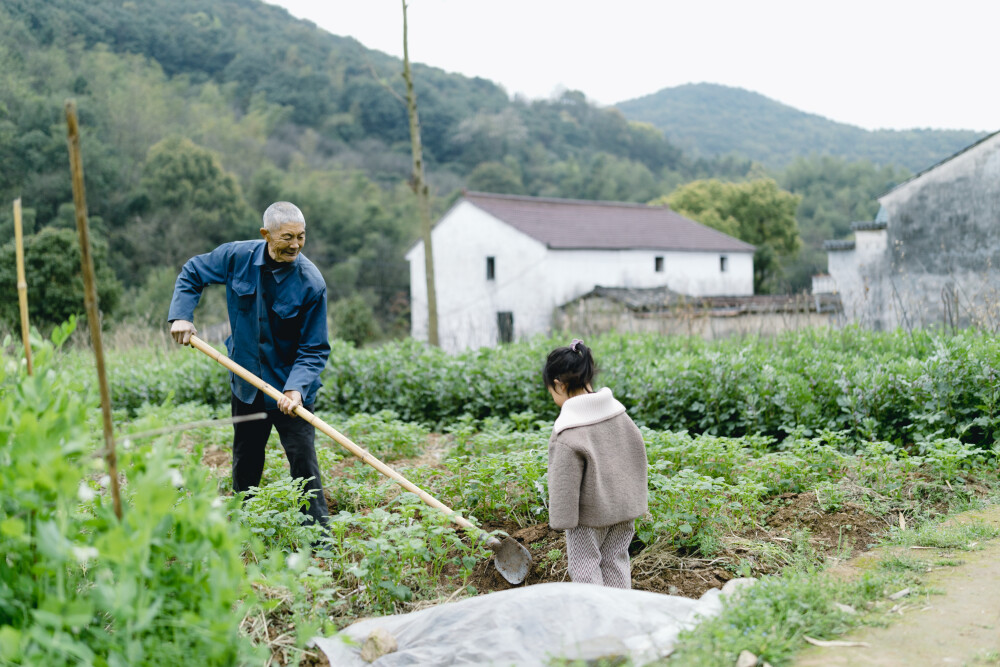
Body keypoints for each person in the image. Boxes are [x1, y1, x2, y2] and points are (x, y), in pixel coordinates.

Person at [168, 201, 331, 529]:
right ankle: (245, 526)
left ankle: (318, 538)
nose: (296, 245)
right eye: (288, 237)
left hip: (290, 390)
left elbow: (314, 348)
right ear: (266, 235)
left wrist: (296, 388)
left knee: (303, 462)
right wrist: (182, 315)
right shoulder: (236, 257)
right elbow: (193, 272)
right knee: (246, 459)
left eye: (301, 236)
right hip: (246, 383)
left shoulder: (311, 283)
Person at [543, 339, 648, 588]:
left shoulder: (568, 431)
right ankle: (620, 617)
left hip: (588, 518)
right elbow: (636, 456)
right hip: (624, 511)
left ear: (558, 384)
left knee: (585, 567)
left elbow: (563, 482)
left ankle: (595, 623)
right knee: (616, 560)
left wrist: (561, 520)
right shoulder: (619, 415)